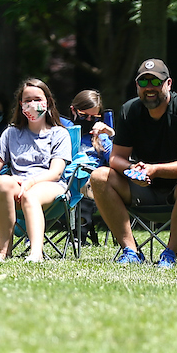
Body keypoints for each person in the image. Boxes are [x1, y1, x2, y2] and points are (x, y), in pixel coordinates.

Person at [89, 58, 177, 268]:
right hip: (142, 188)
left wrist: (155, 170)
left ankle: (170, 253)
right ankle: (131, 251)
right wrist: (132, 170)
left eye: (156, 82)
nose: (149, 88)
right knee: (99, 176)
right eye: (143, 83)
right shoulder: (129, 110)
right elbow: (116, 158)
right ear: (137, 86)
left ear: (168, 84)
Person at [0, 78, 72, 262]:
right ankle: (4, 252)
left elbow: (55, 172)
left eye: (37, 99)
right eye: (28, 101)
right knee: (4, 182)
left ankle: (35, 253)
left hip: (50, 185)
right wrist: (9, 180)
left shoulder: (59, 133)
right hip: (18, 185)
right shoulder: (11, 133)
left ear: (47, 102)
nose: (33, 105)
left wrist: (30, 182)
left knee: (30, 195)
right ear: (21, 105)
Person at [66, 89, 114, 247]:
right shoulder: (63, 133)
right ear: (73, 110)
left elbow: (115, 161)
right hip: (65, 183)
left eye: (93, 117)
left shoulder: (101, 138)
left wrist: (109, 134)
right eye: (83, 115)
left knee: (86, 180)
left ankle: (79, 238)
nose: (88, 120)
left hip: (92, 186)